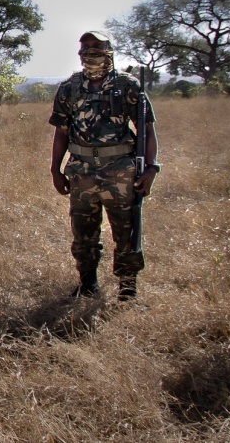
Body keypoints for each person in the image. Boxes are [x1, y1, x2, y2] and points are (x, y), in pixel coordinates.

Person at [49, 31, 158, 300]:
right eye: (85, 47)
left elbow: (146, 130)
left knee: (126, 230)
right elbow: (61, 132)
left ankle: (127, 288)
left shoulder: (128, 85)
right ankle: (87, 283)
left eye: (96, 47)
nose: (90, 51)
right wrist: (55, 169)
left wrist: (151, 168)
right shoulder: (69, 88)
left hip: (120, 171)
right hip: (81, 171)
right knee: (83, 232)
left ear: (109, 50)